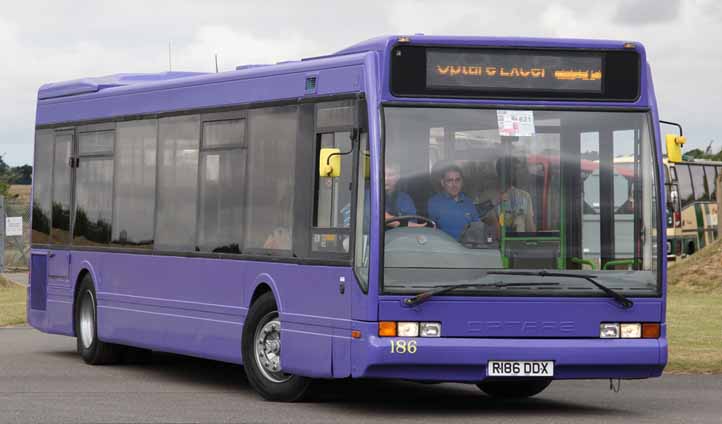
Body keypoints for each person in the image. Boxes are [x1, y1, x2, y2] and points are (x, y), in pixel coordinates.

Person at [427, 165, 481, 239]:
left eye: (457, 180)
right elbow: (431, 232)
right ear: (442, 183)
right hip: (444, 248)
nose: (454, 185)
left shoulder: (469, 203)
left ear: (462, 182)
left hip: (466, 248)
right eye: (449, 180)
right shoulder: (434, 203)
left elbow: (477, 228)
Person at [496, 157, 536, 232]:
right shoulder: (490, 196)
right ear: (502, 172)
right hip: (497, 242)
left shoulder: (524, 196)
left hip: (519, 241)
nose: (516, 173)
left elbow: (529, 226)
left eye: (516, 170)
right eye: (514, 170)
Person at [383, 163, 424, 228]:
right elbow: (381, 216)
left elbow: (412, 221)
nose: (386, 178)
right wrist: (417, 226)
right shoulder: (369, 195)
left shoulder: (405, 198)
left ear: (398, 177)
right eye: (383, 174)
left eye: (390, 175)